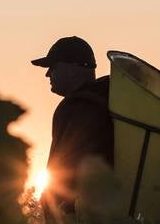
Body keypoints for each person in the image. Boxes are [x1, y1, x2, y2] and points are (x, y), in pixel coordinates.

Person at [32, 36, 113, 212]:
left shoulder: (74, 107)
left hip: (80, 217)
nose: (47, 74)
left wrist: (50, 208)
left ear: (71, 69)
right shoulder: (110, 99)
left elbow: (64, 165)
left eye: (53, 67)